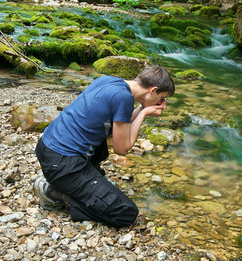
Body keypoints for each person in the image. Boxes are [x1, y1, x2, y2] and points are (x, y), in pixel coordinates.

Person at [34, 65, 175, 227]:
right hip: (62, 163)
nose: (161, 102)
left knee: (104, 137)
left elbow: (120, 125)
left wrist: (143, 106)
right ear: (153, 90)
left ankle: (80, 186)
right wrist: (143, 114)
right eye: (162, 98)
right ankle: (53, 193)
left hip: (47, 147)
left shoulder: (110, 81)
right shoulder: (123, 98)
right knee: (126, 213)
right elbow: (121, 148)